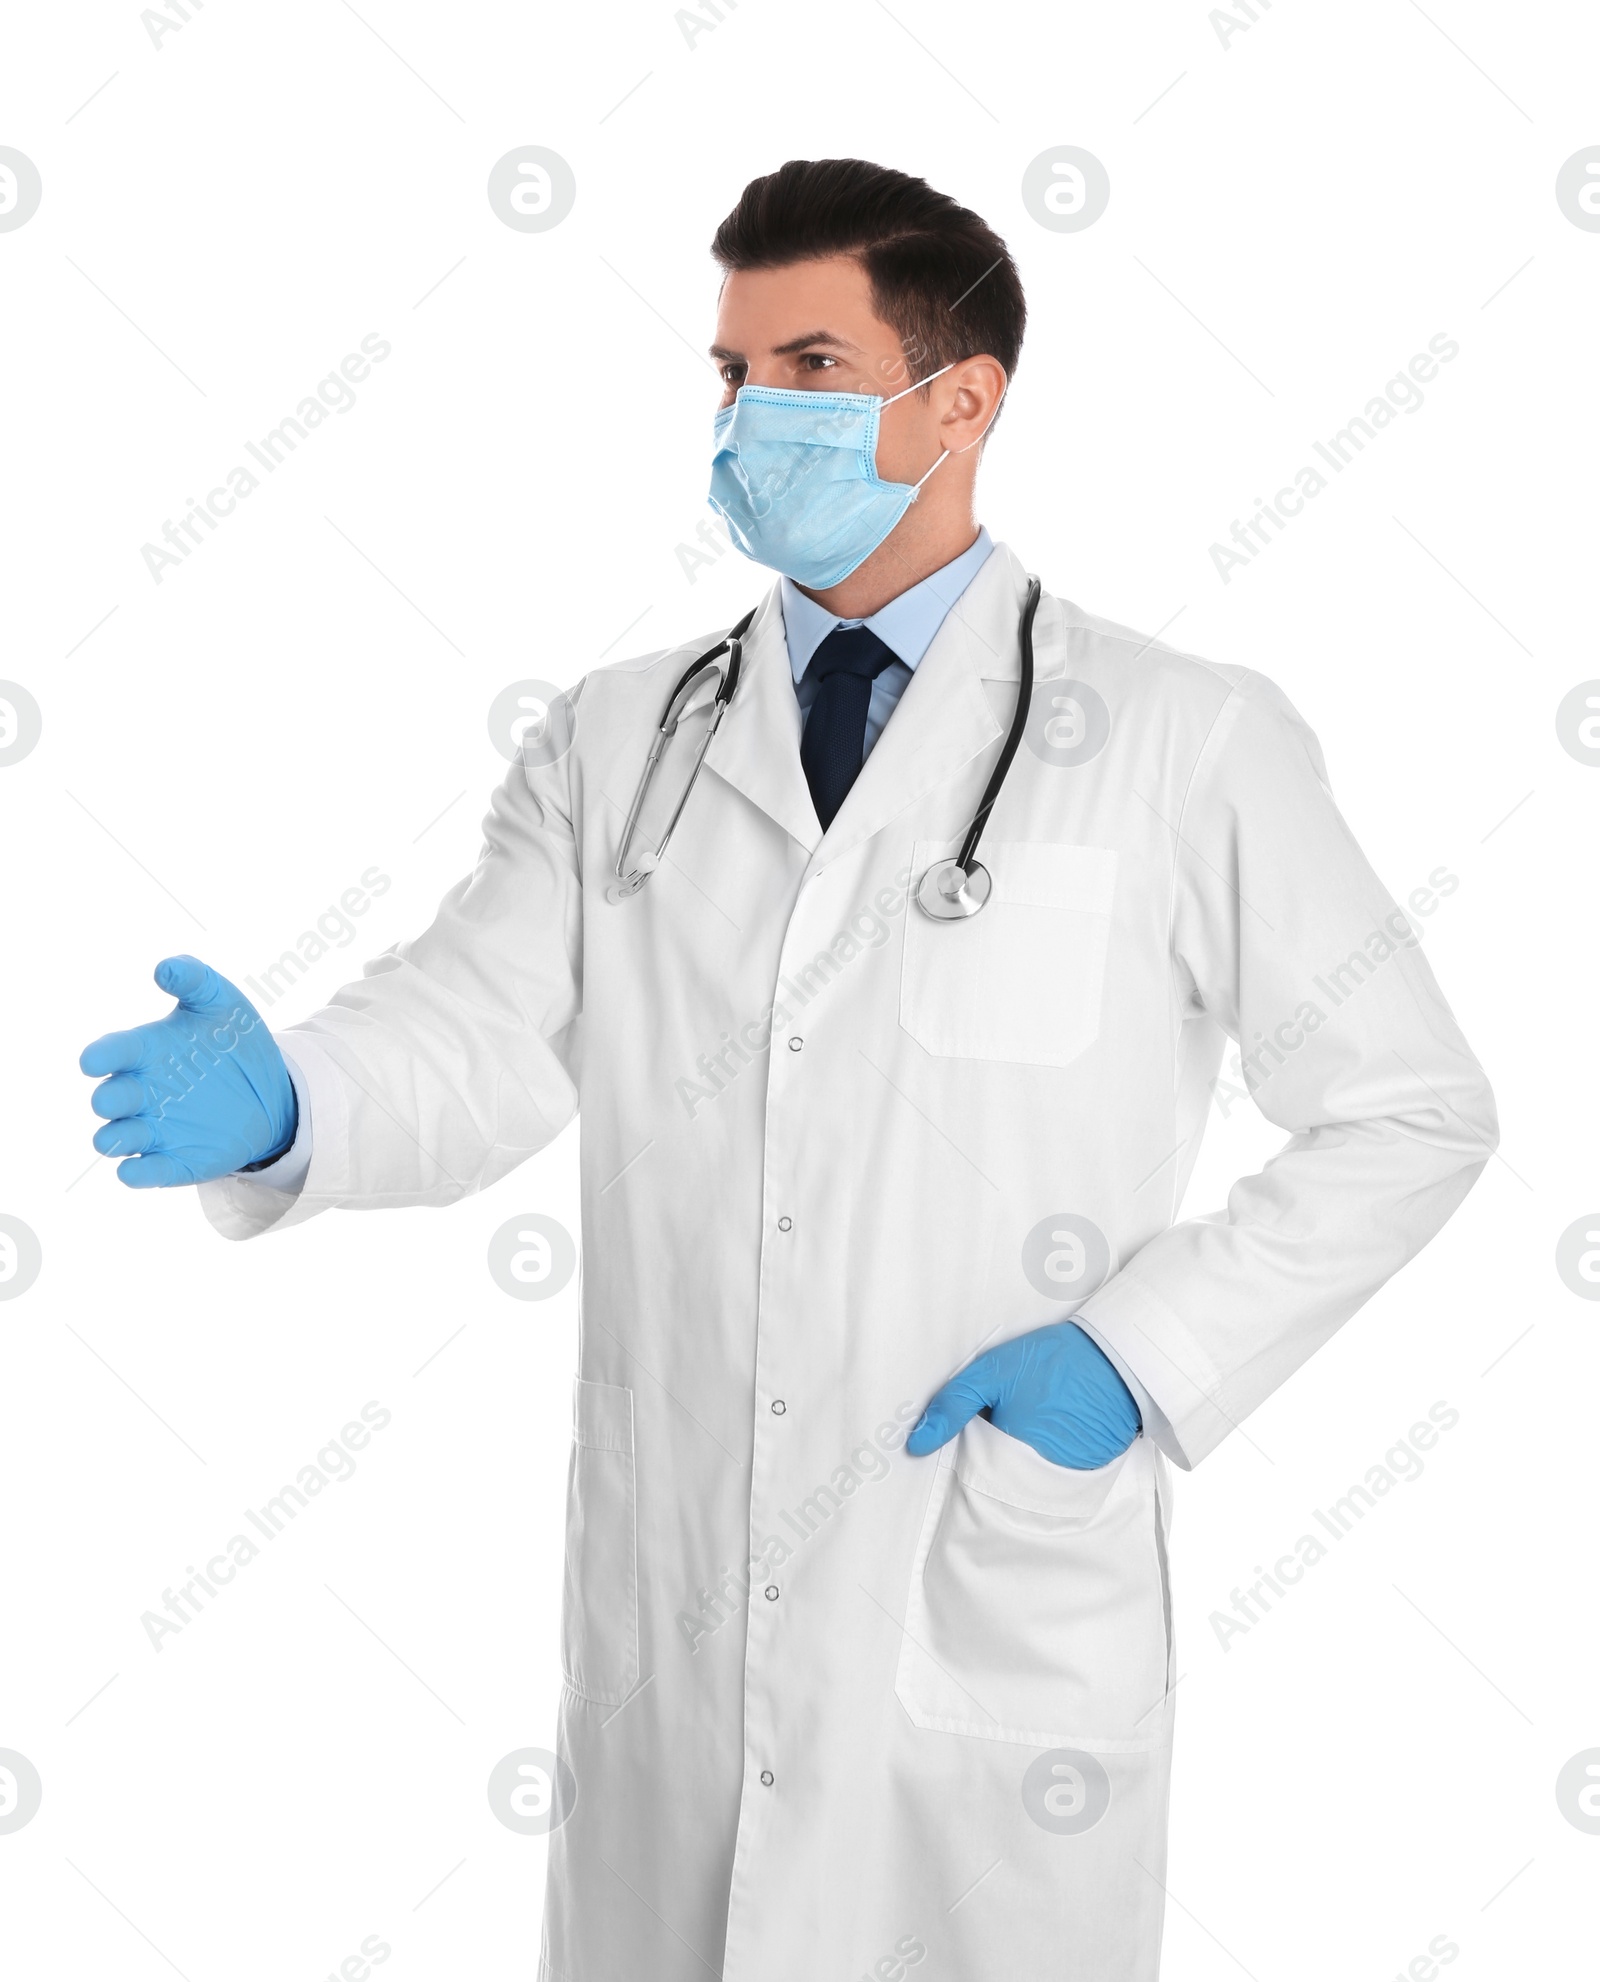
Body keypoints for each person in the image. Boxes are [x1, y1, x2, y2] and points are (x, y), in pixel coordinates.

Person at [79, 158, 1497, 1980]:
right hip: (675, 1626)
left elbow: (1410, 1105)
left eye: (811, 367)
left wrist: (1133, 1360)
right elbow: (477, 1030)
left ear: (961, 398)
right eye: (733, 373)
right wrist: (295, 1099)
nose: (754, 418)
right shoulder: (624, 737)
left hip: (978, 1587)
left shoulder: (1179, 737)